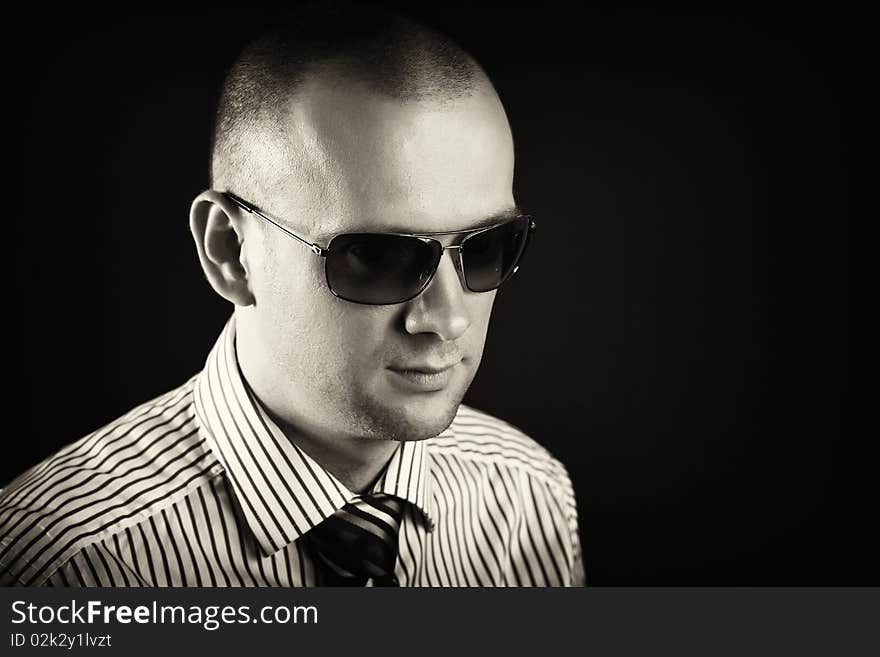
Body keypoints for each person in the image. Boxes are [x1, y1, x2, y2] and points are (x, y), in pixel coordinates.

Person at [0, 3, 584, 587]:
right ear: (231, 251)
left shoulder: (528, 501)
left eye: (487, 246)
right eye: (377, 257)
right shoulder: (57, 567)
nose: (448, 318)